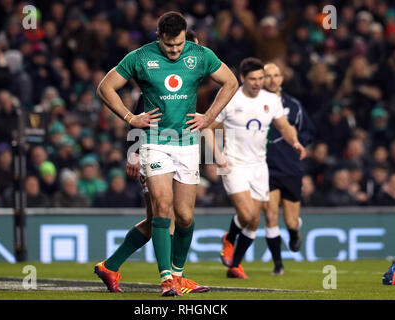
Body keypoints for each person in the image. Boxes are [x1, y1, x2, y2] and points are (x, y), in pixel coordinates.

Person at [95, 12, 238, 297]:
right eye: (169, 45)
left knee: (182, 216)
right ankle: (168, 280)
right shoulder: (140, 58)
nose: (175, 51)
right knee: (163, 208)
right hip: (152, 141)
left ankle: (115, 266)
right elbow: (105, 87)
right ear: (158, 36)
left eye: (180, 45)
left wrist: (209, 117)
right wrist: (129, 119)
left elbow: (231, 82)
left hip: (186, 143)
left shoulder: (200, 55)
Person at [206, 57, 306, 279]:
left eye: (261, 78)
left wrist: (295, 142)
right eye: (253, 79)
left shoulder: (271, 100)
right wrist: (217, 156)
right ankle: (230, 238)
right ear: (242, 78)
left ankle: (235, 265)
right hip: (231, 163)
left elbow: (285, 127)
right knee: (247, 214)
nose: (258, 83)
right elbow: (206, 127)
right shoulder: (229, 99)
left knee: (254, 220)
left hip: (260, 166)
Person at [261, 63, 315, 275]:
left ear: (282, 79)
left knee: (291, 220)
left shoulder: (294, 106)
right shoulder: (254, 104)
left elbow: (308, 131)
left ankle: (294, 233)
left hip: (290, 168)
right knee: (271, 215)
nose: (272, 80)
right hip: (266, 169)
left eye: (276, 76)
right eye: (267, 76)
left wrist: (298, 144)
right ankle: (278, 264)